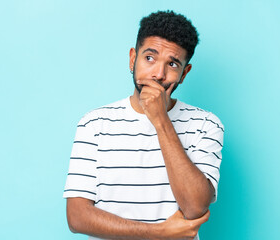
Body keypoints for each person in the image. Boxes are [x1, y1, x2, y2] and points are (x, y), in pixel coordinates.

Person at [63, 10, 224, 240]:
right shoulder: (94, 124)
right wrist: (159, 233)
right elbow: (77, 217)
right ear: (132, 58)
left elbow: (195, 207)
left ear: (184, 73)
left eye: (172, 64)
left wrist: (160, 120)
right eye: (150, 57)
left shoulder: (206, 125)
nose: (158, 74)